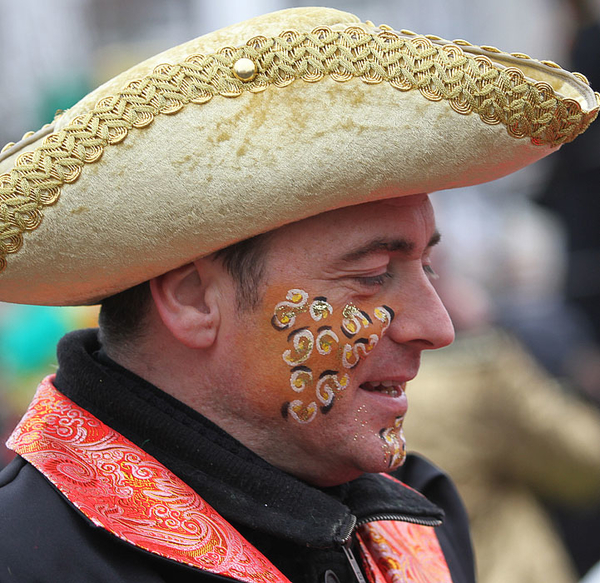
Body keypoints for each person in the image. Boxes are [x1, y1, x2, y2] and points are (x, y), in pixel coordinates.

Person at [0, 7, 597, 583]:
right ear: (191, 299)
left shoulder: (417, 518)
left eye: (428, 266)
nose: (436, 327)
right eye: (371, 274)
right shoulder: (25, 558)